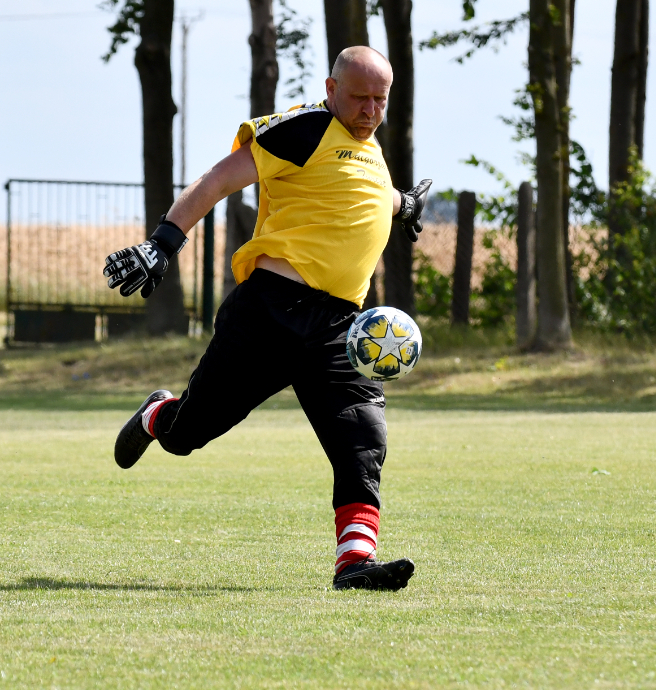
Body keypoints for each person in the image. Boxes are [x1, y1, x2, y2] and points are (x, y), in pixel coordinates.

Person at [102, 46, 432, 591]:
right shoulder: (304, 129)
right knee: (188, 435)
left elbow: (369, 197)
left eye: (381, 99)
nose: (371, 110)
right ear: (330, 89)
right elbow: (216, 180)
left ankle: (354, 563)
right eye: (360, 97)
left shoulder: (371, 151)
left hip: (340, 329)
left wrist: (406, 205)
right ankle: (158, 415)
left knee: (362, 437)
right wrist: (162, 243)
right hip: (271, 312)